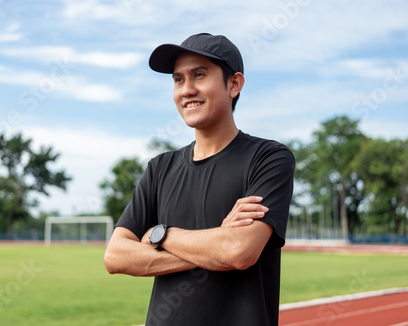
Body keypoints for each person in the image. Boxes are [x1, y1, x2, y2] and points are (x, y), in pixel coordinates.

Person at [104, 33, 295, 326]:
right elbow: (116, 257)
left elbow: (239, 252)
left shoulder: (269, 158)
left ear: (234, 84)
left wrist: (160, 235)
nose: (187, 89)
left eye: (200, 75)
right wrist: (217, 245)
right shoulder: (160, 168)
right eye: (178, 79)